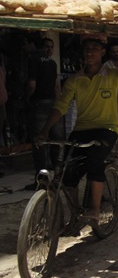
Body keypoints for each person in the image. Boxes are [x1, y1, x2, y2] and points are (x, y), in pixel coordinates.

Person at [37, 30, 118, 224]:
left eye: (95, 49)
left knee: (94, 163)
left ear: (103, 52)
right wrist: (45, 130)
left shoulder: (112, 76)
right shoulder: (75, 80)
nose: (90, 53)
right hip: (81, 130)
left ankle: (95, 210)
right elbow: (61, 106)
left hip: (107, 129)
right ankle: (75, 215)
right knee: (68, 172)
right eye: (87, 49)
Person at [25, 37, 61, 190]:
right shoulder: (52, 63)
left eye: (51, 47)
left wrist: (27, 98)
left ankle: (41, 179)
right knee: (54, 139)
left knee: (39, 141)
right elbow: (56, 86)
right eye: (47, 46)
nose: (49, 50)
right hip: (51, 103)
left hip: (39, 103)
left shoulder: (33, 59)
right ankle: (57, 174)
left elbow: (32, 84)